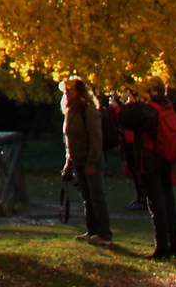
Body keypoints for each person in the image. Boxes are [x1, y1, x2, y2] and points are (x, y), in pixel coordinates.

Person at [118, 81, 176, 259]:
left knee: (156, 203)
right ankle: (175, 244)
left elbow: (124, 119)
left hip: (151, 160)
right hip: (167, 159)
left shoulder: (147, 109)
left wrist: (125, 104)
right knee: (168, 200)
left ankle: (162, 247)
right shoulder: (167, 106)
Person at [60, 76, 111, 243]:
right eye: (66, 91)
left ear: (79, 91)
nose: (67, 93)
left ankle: (104, 233)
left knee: (97, 196)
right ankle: (91, 230)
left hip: (90, 160)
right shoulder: (70, 111)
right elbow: (69, 140)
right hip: (77, 160)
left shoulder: (88, 110)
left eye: (71, 90)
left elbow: (96, 138)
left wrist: (91, 162)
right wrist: (69, 162)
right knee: (87, 197)